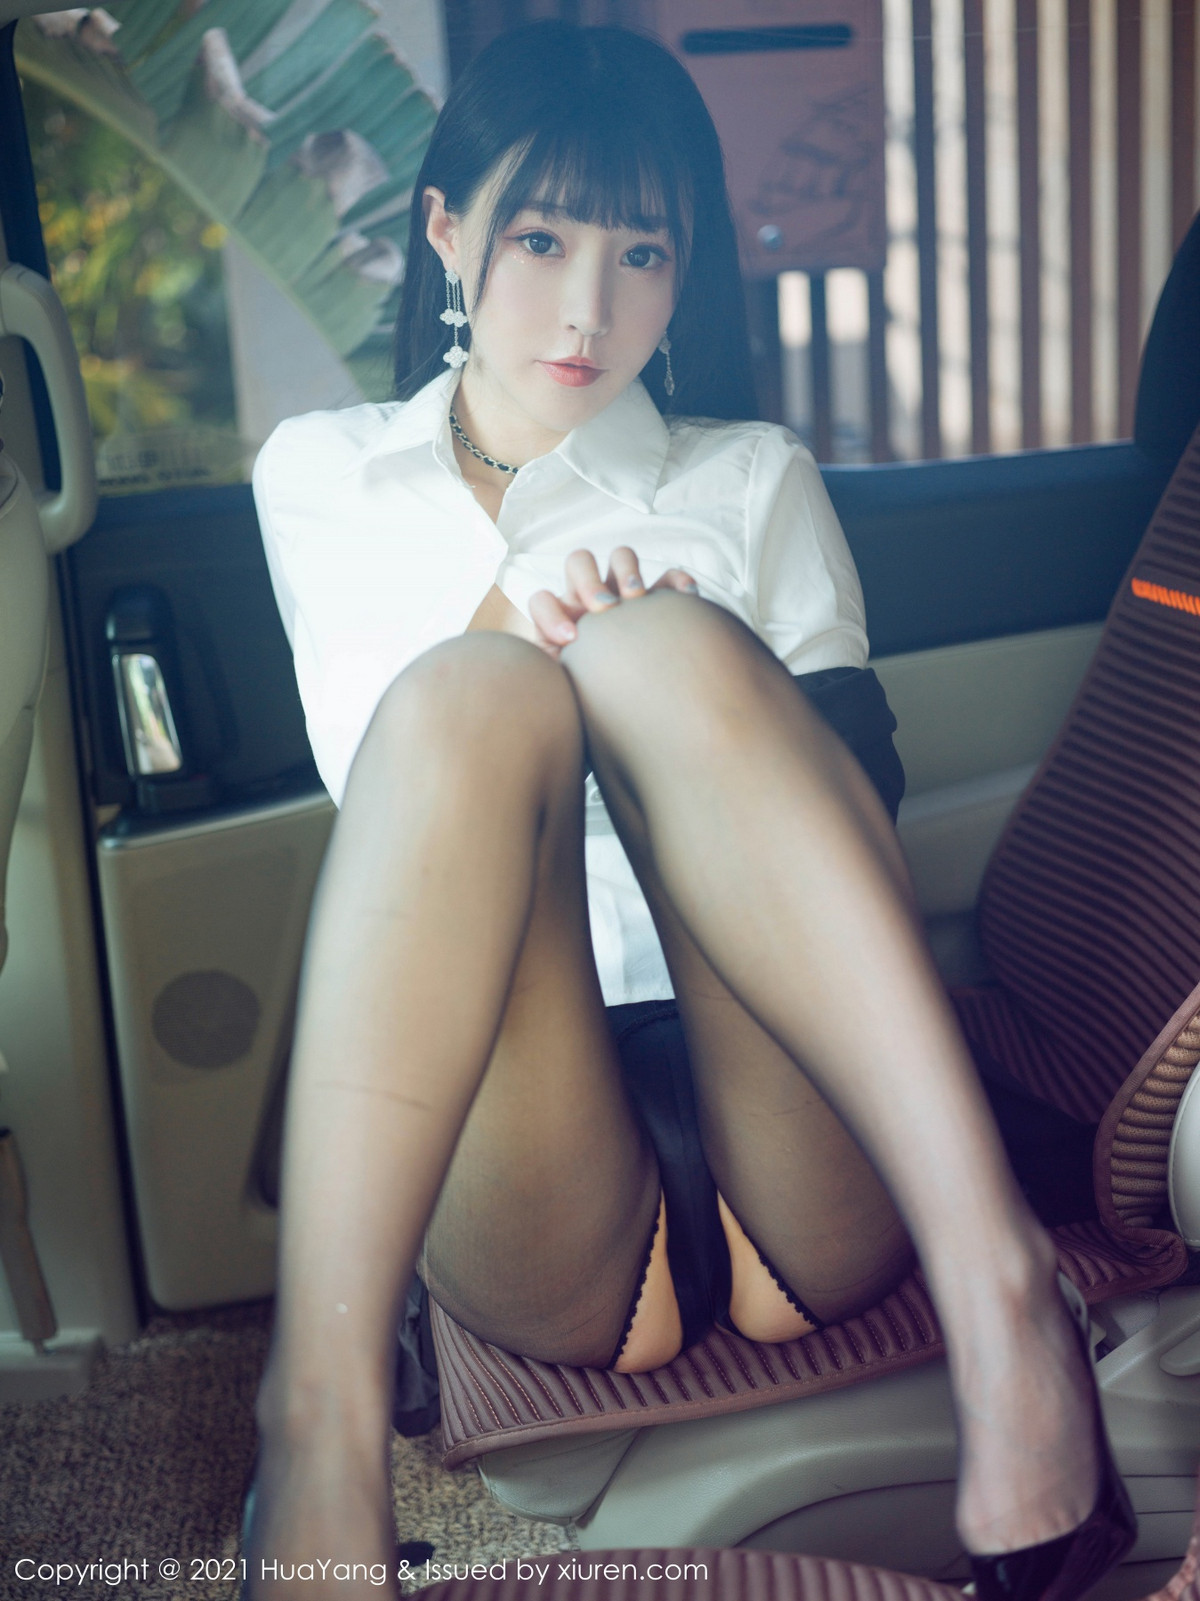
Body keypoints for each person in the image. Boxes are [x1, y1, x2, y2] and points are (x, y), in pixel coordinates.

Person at [246, 20, 1134, 1600]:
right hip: (528, 1147)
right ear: (445, 232)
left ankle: (1002, 1288)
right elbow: (382, 804)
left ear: (684, 270)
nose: (590, 307)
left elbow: (863, 835)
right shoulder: (324, 475)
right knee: (473, 697)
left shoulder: (753, 477)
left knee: (653, 645)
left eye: (641, 252)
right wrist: (526, 629)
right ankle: (317, 1421)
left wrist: (690, 671)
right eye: (541, 239)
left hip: (803, 1124)